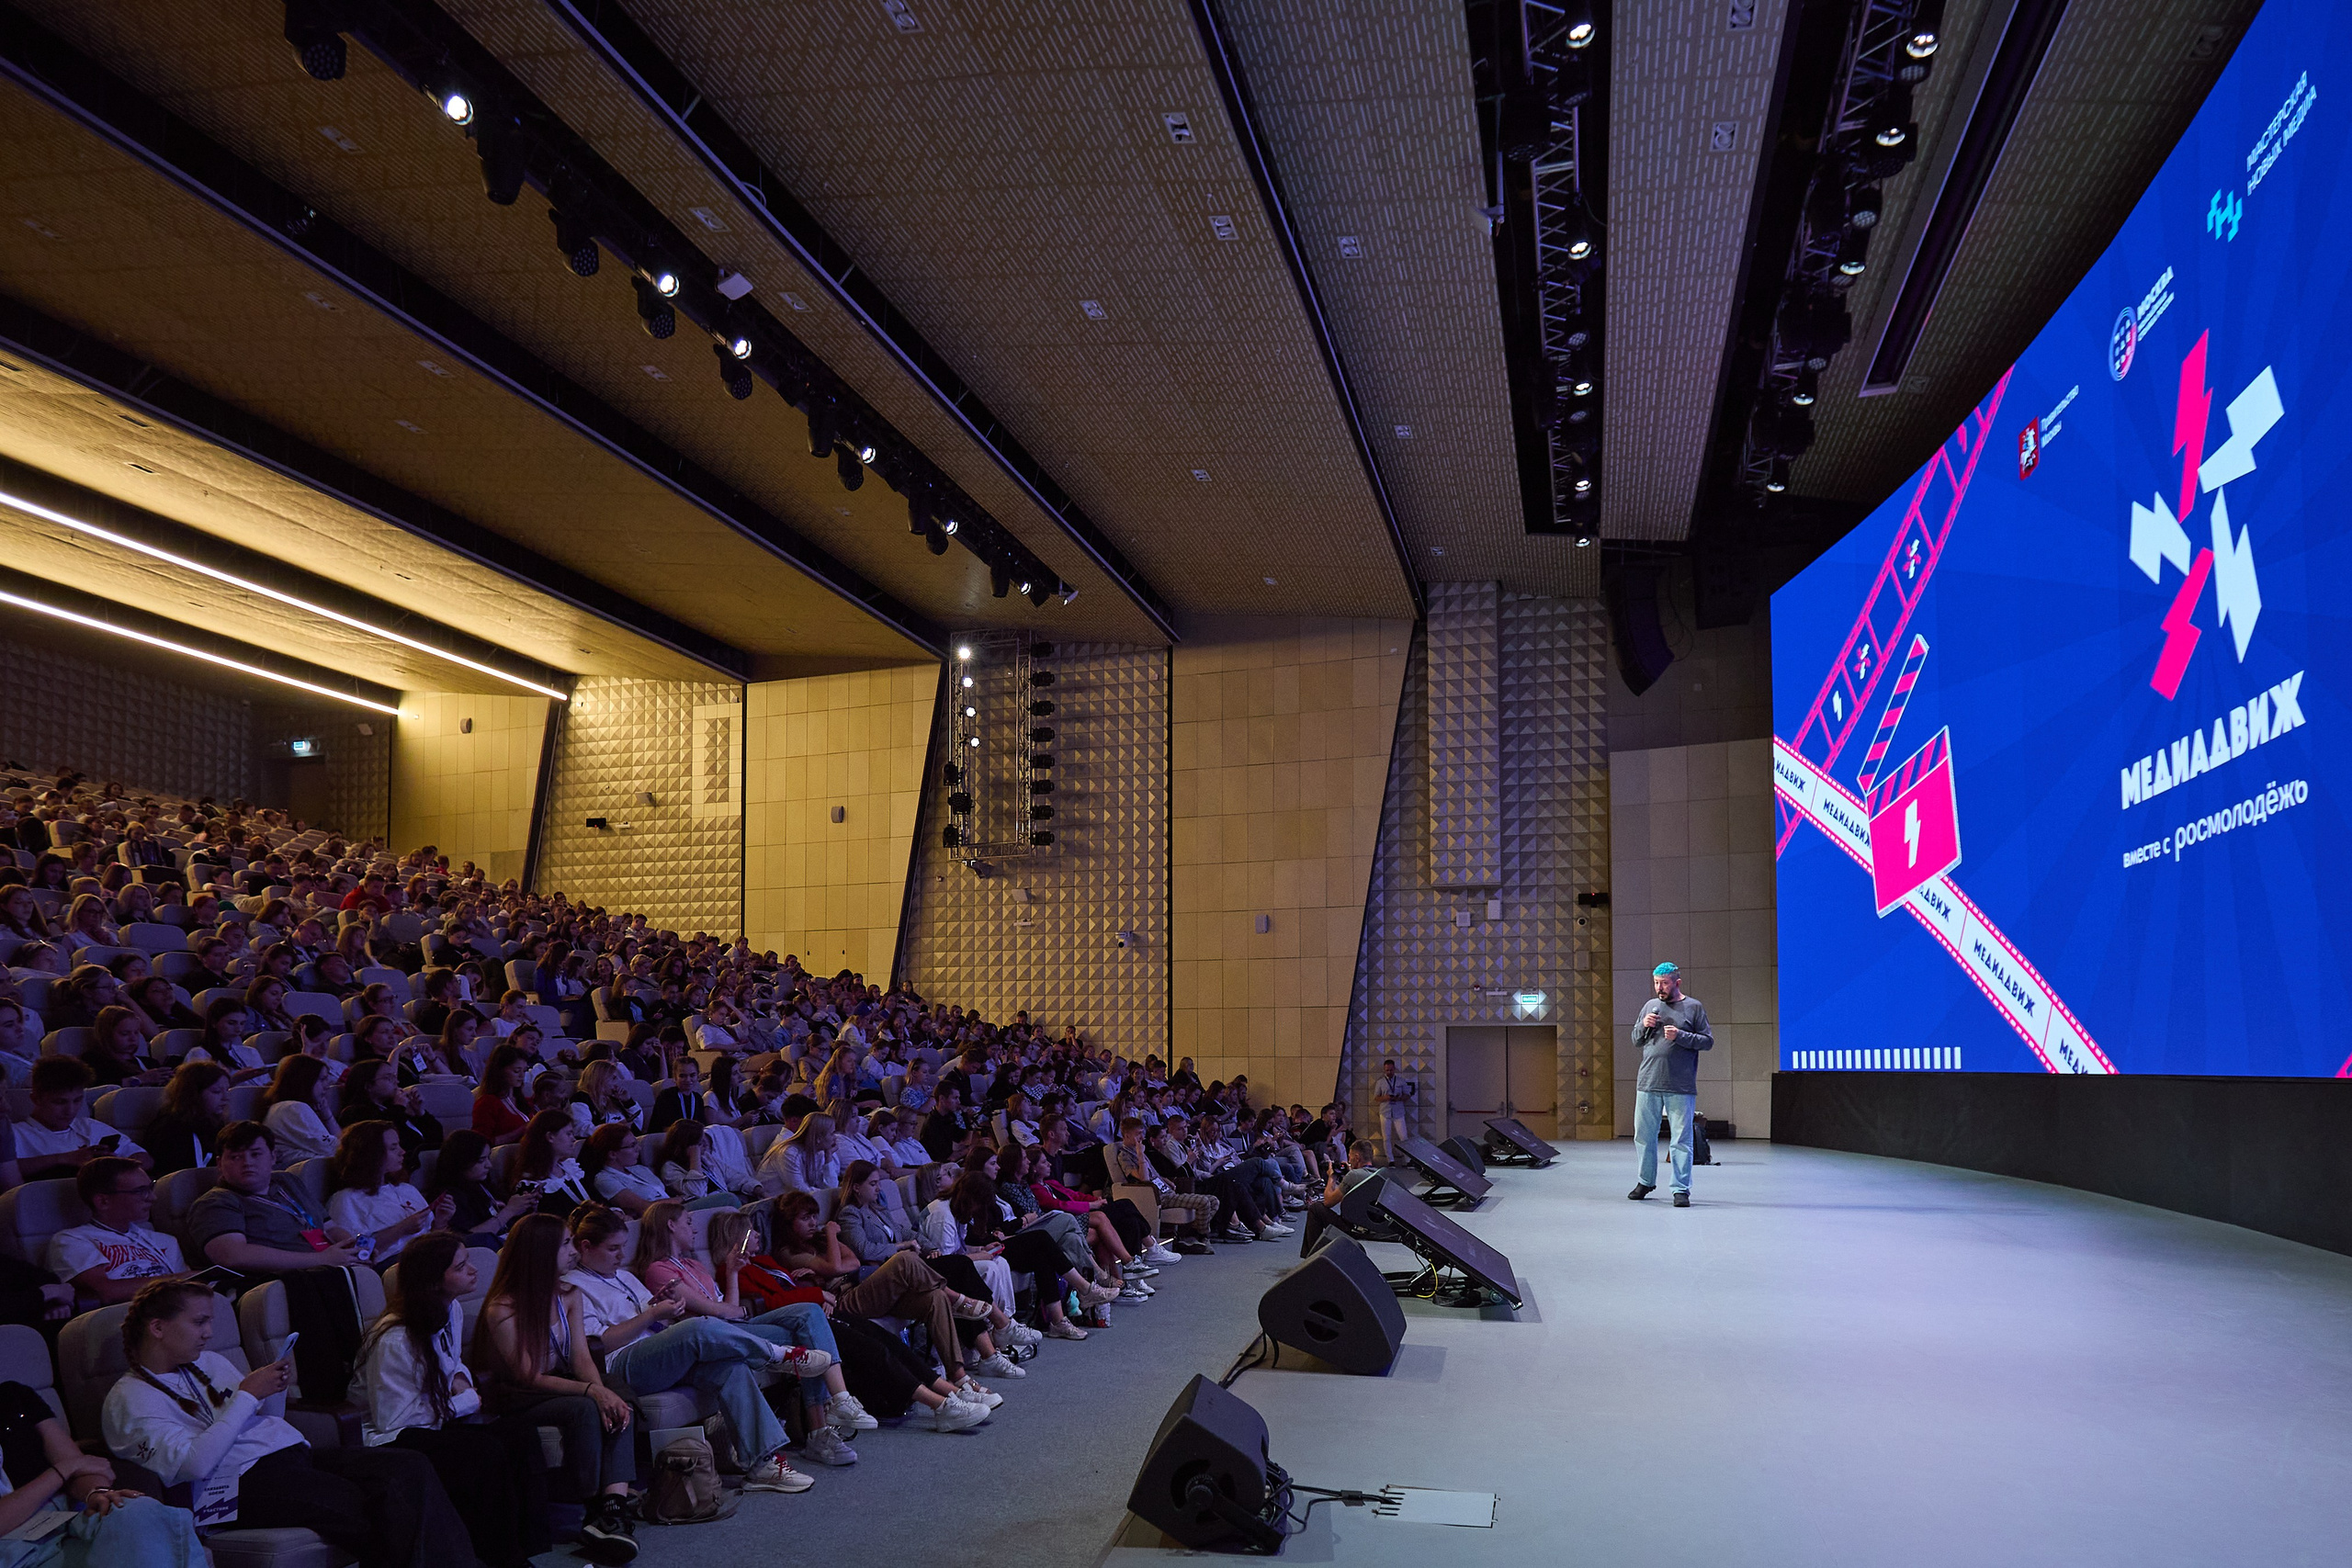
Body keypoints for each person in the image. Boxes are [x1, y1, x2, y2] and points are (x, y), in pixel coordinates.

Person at [103, 1280, 475, 1568]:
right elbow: (195, 1465)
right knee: (371, 1504)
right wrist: (248, 1395)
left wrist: (273, 1389)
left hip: (289, 1455)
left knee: (406, 1465)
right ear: (157, 1327)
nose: (208, 1333)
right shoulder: (130, 1400)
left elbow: (270, 1421)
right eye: (199, 1322)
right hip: (230, 1486)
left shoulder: (209, 1363)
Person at [559, 1205, 816, 1495]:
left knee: (730, 1367)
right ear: (585, 1247)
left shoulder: (624, 1276)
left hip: (657, 1350)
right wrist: (651, 1315)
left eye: (623, 1248)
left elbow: (655, 1312)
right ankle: (777, 1354)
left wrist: (667, 1306)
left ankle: (763, 1465)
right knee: (698, 1327)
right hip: (620, 1364)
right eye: (613, 1249)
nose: (621, 1255)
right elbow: (598, 1345)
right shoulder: (574, 1287)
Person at [355, 1232, 549, 1567]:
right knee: (482, 1453)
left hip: (435, 1418)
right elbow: (394, 1420)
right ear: (433, 1282)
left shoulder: (451, 1309)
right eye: (461, 1267)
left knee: (520, 1435)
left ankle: (525, 1546)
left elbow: (452, 1361)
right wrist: (466, 1402)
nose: (473, 1271)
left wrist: (460, 1379)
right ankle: (498, 1555)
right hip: (392, 1435)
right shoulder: (395, 1339)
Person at [632, 1201, 864, 1467]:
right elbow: (712, 1313)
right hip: (712, 1336)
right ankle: (819, 1431)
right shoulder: (659, 1270)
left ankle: (841, 1400)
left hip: (734, 1324)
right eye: (687, 1223)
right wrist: (737, 1311)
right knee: (809, 1335)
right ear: (671, 1226)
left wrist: (732, 1272)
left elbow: (727, 1307)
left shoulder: (694, 1265)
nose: (694, 1229)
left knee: (810, 1314)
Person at [468, 1216, 637, 1563]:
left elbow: (580, 1357)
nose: (574, 1251)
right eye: (565, 1244)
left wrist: (599, 1389)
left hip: (562, 1380)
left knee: (618, 1396)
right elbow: (528, 1376)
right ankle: (593, 1504)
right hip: (524, 1395)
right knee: (585, 1407)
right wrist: (591, 1393)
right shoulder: (503, 1307)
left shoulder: (568, 1294)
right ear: (540, 1252)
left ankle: (612, 1506)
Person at [0, 1373, 203, 1568]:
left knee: (138, 1511)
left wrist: (96, 1492)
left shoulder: (13, 1396)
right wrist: (63, 1471)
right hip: (14, 1547)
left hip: (62, 1518)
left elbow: (82, 1465)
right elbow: (71, 1465)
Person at [48, 1156, 187, 1306]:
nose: (153, 1197)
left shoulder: (166, 1241)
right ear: (103, 1201)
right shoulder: (71, 1241)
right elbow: (107, 1291)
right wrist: (183, 1279)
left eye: (150, 1187)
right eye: (141, 1191)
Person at [1630, 961, 1713, 1207]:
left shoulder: (1693, 1007)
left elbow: (1707, 1041)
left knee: (1681, 1139)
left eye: (1664, 983)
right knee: (1644, 1136)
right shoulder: (1650, 1006)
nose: (1659, 988)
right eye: (1656, 983)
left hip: (1680, 1084)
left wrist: (1681, 1036)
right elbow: (1635, 1040)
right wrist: (1644, 1026)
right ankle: (1645, 1181)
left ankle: (1680, 1189)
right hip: (1648, 1081)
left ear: (1677, 983)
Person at [327, 1121, 444, 1263]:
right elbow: (355, 1253)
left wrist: (441, 1222)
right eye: (393, 1148)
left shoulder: (406, 1189)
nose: (403, 1152)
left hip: (426, 1254)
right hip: (393, 1263)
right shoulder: (347, 1199)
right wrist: (401, 1229)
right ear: (372, 1154)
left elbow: (429, 1234)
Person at [16, 1058, 150, 1179]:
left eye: (77, 1100)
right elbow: (6, 1170)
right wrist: (65, 1159)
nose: (71, 1110)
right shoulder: (15, 1134)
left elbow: (144, 1158)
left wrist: (115, 1167)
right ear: (35, 1099)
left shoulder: (89, 1126)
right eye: (60, 1102)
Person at [422, 1131, 534, 1248]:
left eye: (488, 1158)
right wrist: (508, 1211)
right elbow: (468, 1239)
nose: (489, 1165)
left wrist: (524, 1207)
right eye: (481, 1160)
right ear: (462, 1162)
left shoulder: (483, 1185)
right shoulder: (448, 1197)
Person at [1295, 1137, 1385, 1256]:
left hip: (1352, 1228)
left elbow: (1328, 1202)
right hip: (1373, 1227)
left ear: (1357, 1157)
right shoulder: (1381, 1175)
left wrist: (1332, 1177)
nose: (1349, 1160)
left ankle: (1312, 1256)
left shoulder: (1353, 1176)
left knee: (1315, 1208)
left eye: (1350, 1157)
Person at [141, 1062, 228, 1176]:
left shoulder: (215, 1125)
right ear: (194, 1094)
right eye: (216, 1091)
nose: (226, 1098)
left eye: (227, 1090)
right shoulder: (170, 1130)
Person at [260, 1055, 338, 1163]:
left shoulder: (287, 1107)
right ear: (305, 1080)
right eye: (322, 1079)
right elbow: (335, 1149)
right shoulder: (292, 1108)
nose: (327, 1085)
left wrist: (327, 1115)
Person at [1373, 1058, 1416, 1163]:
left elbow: (1407, 1095)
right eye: (1387, 1070)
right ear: (1384, 1070)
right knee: (1386, 1137)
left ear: (1394, 1069)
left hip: (1399, 1112)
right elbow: (1376, 1098)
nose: (1389, 1072)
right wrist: (1385, 1097)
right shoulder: (1380, 1082)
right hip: (1385, 1112)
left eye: (1391, 1070)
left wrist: (1399, 1098)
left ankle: (1408, 1160)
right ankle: (1390, 1160)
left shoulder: (1401, 1081)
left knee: (1403, 1137)